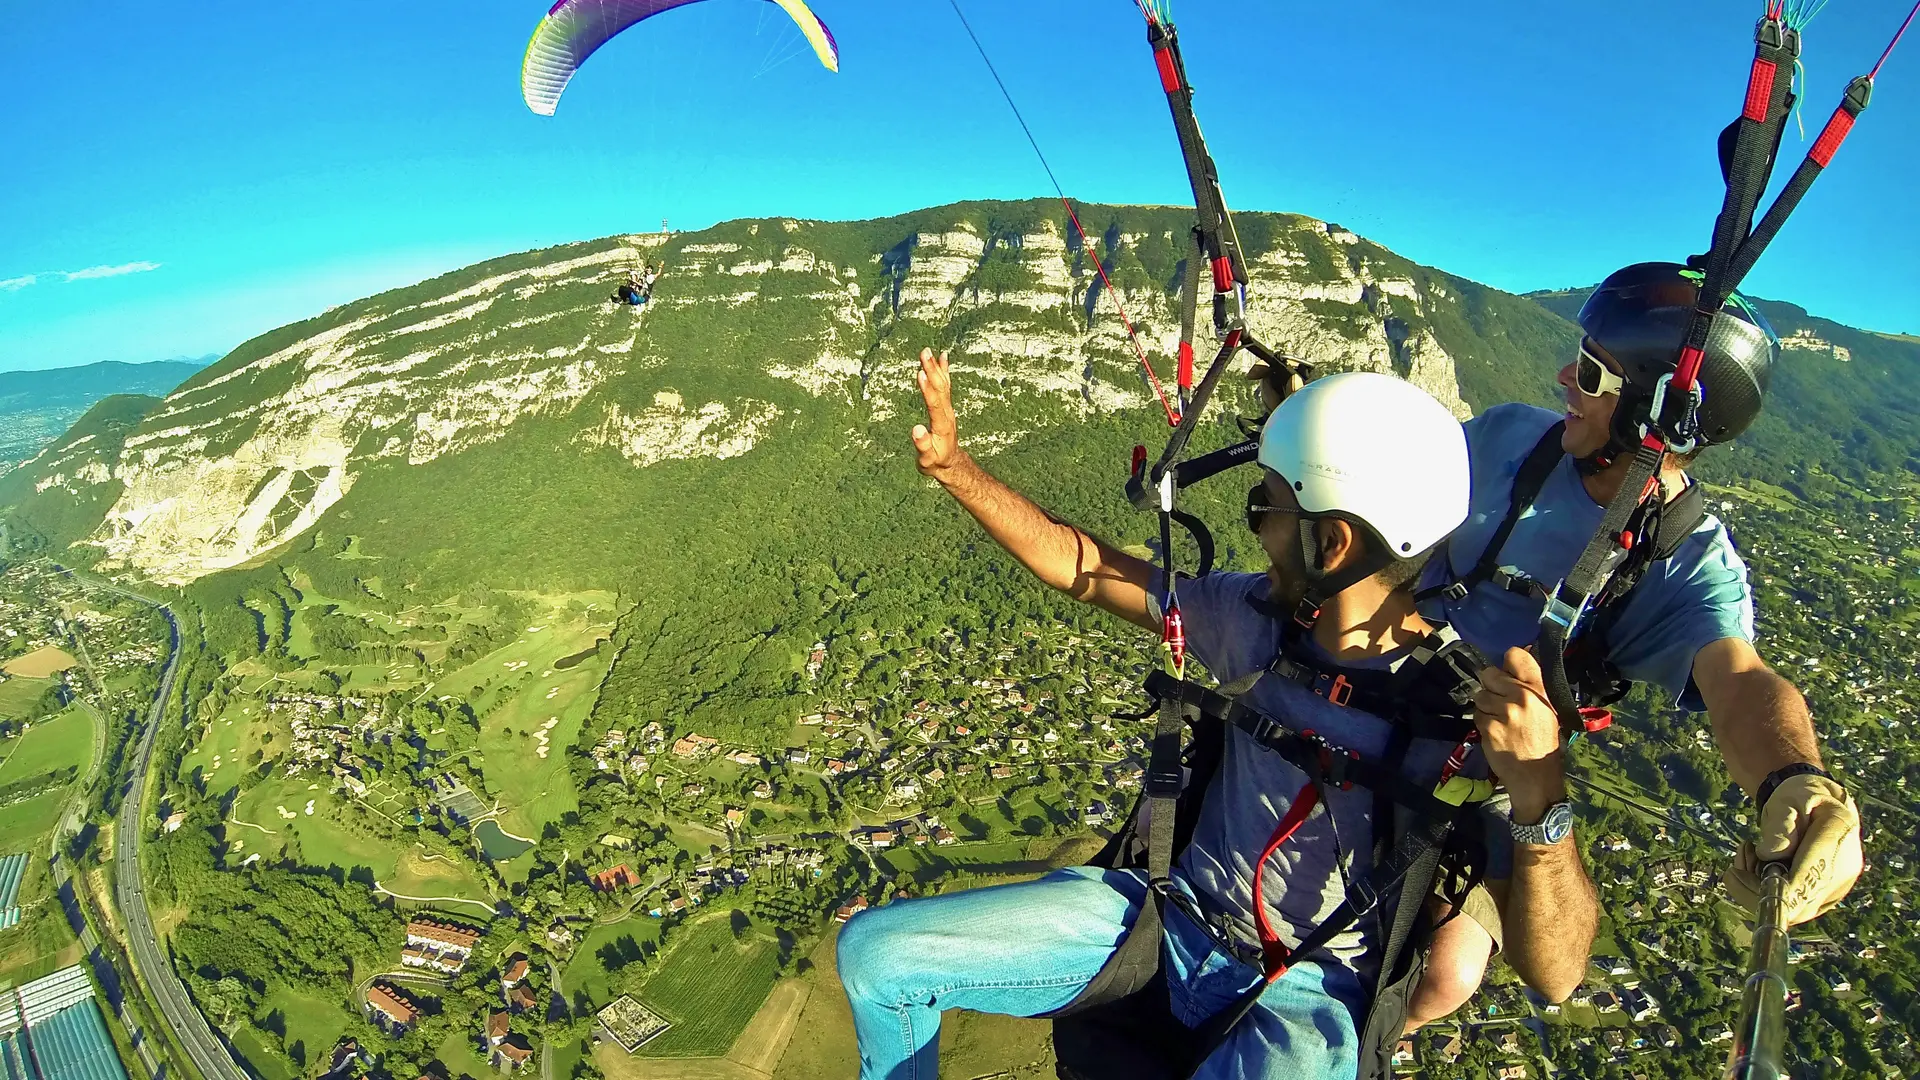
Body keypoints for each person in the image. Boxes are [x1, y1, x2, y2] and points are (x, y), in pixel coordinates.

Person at [836, 353, 1598, 1080]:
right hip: (1168, 916)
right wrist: (956, 471)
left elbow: (1557, 974)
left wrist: (1540, 794)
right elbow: (1088, 569)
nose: (1256, 525)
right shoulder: (1254, 621)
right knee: (880, 960)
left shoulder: (1465, 716)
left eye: (1264, 503)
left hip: (1307, 999)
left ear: (1330, 542)